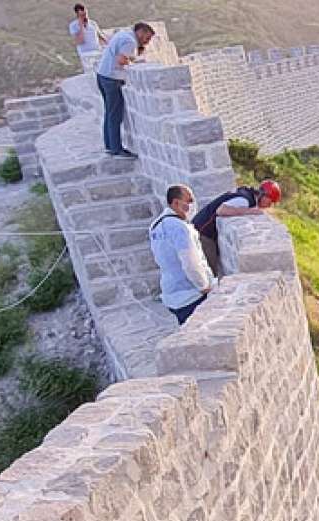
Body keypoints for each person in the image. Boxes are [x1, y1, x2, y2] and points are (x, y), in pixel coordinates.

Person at [150, 185, 215, 325]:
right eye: (189, 201)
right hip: (190, 295)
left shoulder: (156, 225)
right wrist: (204, 286)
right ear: (176, 203)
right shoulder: (180, 228)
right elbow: (190, 262)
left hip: (172, 292)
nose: (192, 205)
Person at [192, 180, 282, 274]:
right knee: (210, 271)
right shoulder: (245, 200)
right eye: (271, 201)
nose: (270, 205)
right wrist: (249, 211)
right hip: (203, 233)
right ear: (264, 196)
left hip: (200, 227)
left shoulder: (246, 193)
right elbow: (221, 210)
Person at [96, 22, 154, 158]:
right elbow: (121, 59)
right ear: (141, 32)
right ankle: (117, 149)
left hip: (102, 75)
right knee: (115, 114)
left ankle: (109, 145)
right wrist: (133, 64)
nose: (148, 41)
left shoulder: (123, 34)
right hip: (112, 79)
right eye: (147, 37)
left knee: (109, 112)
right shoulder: (130, 41)